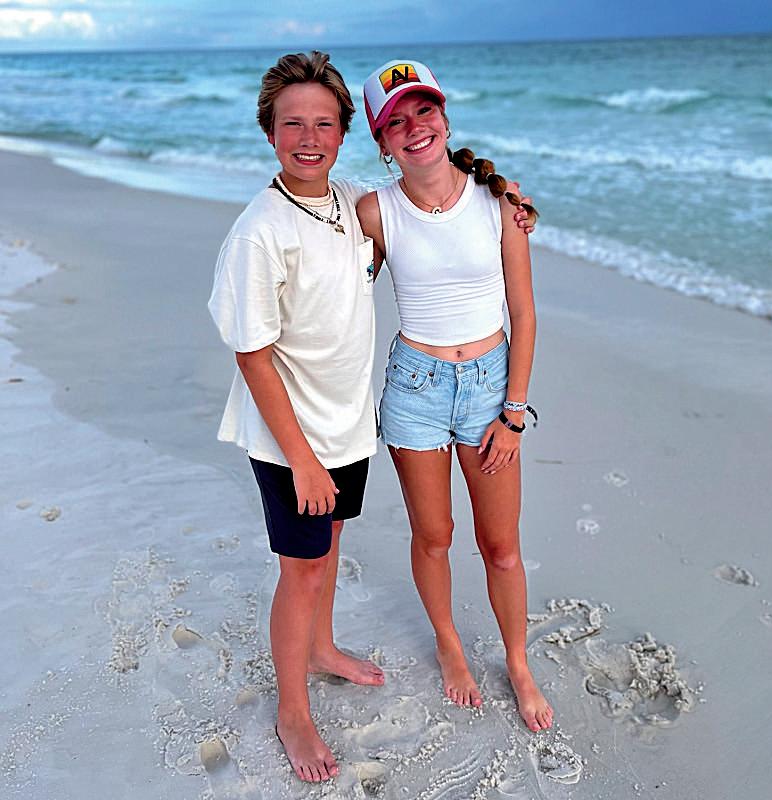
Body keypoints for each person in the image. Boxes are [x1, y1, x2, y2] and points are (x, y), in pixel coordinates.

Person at [208, 51, 537, 784]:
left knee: (344, 547)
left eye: (324, 124)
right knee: (322, 562)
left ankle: (331, 649)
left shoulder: (356, 204)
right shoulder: (296, 224)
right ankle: (299, 709)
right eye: (293, 124)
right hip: (326, 422)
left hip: (362, 417)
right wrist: (299, 459)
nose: (309, 138)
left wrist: (508, 199)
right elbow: (252, 352)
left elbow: (494, 280)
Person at [357, 59, 553, 732]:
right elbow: (337, 278)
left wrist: (514, 413)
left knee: (500, 545)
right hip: (415, 386)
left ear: (443, 116)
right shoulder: (374, 212)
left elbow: (523, 313)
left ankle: (517, 662)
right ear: (382, 142)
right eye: (396, 122)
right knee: (433, 536)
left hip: (491, 389)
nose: (415, 127)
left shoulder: (500, 204)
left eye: (424, 110)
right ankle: (448, 645)